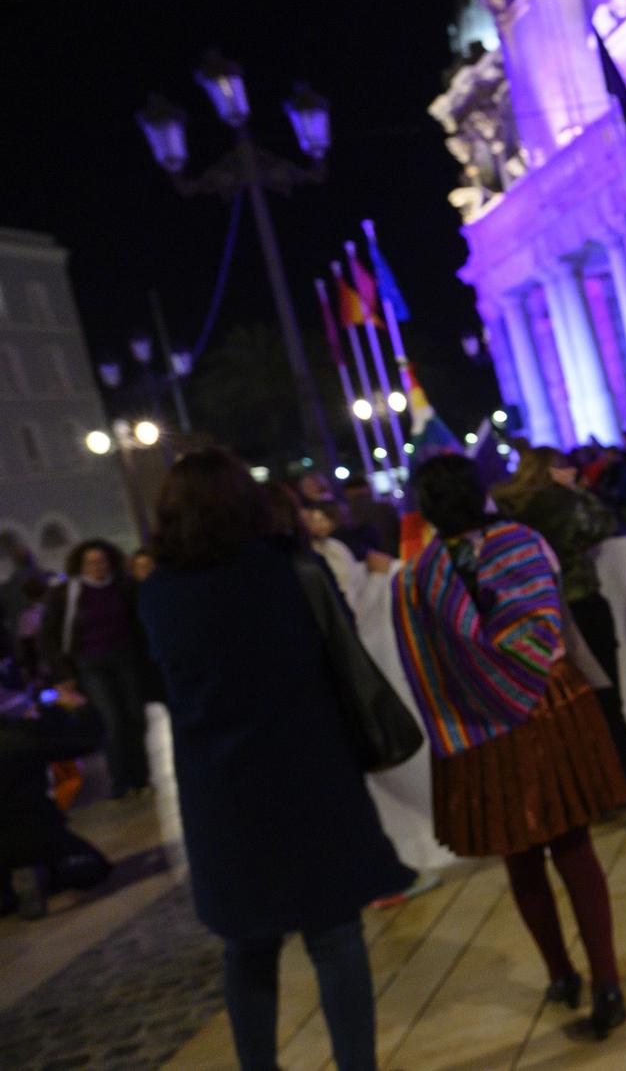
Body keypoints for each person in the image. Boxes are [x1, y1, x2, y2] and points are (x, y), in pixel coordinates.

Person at [141, 448, 412, 1071]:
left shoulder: (157, 593)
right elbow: (336, 640)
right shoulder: (289, 569)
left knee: (247, 947)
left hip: (222, 792)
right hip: (308, 774)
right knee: (335, 937)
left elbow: (158, 682)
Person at [393, 455, 626, 1038]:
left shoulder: (418, 576)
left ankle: (560, 975)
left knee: (520, 856)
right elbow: (552, 615)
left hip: (480, 729)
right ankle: (607, 982)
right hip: (550, 706)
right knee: (573, 847)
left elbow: (426, 661)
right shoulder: (524, 543)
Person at [494, 447, 626, 831]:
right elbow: (602, 523)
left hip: (538, 618)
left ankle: (594, 798)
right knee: (607, 704)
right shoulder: (563, 502)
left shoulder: (511, 509)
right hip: (581, 608)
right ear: (552, 470)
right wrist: (578, 491)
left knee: (567, 711)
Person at [45, 540, 152, 798]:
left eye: (101, 561)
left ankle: (141, 777)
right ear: (81, 566)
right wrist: (63, 672)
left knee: (135, 717)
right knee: (111, 720)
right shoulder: (67, 594)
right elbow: (50, 634)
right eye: (91, 563)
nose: (97, 567)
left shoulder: (123, 587)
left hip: (125, 658)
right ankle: (120, 781)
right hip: (90, 663)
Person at [1, 677, 111, 920]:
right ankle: (42, 874)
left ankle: (12, 891)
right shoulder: (22, 735)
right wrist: (80, 707)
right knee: (94, 867)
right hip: (32, 832)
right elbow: (86, 740)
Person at [341, 477, 402, 561]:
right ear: (368, 488)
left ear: (347, 493)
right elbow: (399, 530)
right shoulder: (385, 507)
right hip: (395, 555)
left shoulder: (345, 515)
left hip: (367, 563)